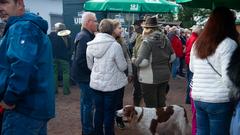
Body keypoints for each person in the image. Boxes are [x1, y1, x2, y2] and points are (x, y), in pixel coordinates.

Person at [0, 0, 55, 134]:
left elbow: (22, 66)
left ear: (20, 4)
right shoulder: (29, 26)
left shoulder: (22, 27)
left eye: (3, 2)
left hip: (23, 109)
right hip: (34, 108)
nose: (0, 8)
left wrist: (9, 98)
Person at [189, 7, 239, 135]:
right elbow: (229, 78)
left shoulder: (198, 43)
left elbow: (192, 68)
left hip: (198, 96)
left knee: (201, 131)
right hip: (219, 99)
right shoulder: (229, 44)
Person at [86, 19, 128, 135]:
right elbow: (123, 67)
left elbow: (90, 66)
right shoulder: (115, 46)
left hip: (96, 85)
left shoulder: (91, 45)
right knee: (109, 112)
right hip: (111, 87)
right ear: (111, 30)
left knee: (98, 111)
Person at [133, 16, 175, 107]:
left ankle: (154, 121)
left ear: (146, 29)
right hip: (164, 75)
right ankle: (161, 121)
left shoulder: (147, 41)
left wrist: (133, 60)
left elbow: (142, 62)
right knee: (161, 103)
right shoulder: (166, 39)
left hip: (149, 78)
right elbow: (173, 57)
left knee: (151, 106)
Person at [71, 12, 97, 135]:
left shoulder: (85, 35)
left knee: (85, 103)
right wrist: (93, 71)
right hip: (84, 76)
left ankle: (85, 129)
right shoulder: (84, 37)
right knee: (88, 105)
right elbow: (81, 59)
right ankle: (87, 130)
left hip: (82, 75)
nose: (97, 23)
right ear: (88, 22)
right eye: (95, 21)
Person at [112, 19, 133, 129]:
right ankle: (108, 120)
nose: (121, 30)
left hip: (120, 76)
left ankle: (119, 120)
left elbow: (128, 58)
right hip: (109, 77)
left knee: (119, 100)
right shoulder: (106, 42)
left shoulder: (122, 42)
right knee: (108, 100)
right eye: (119, 28)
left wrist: (130, 72)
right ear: (112, 29)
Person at [185, 25, 202, 135]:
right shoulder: (195, 40)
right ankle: (187, 98)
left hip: (196, 89)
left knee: (197, 119)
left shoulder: (194, 40)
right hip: (207, 91)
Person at [48, 22, 72, 95]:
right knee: (66, 73)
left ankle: (54, 91)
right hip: (64, 58)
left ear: (56, 29)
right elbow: (70, 48)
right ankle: (66, 91)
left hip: (53, 57)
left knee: (54, 73)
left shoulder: (51, 35)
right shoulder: (68, 36)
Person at [131, 19, 144, 106]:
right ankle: (136, 106)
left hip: (142, 67)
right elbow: (134, 49)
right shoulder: (138, 36)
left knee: (140, 88)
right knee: (137, 88)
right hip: (137, 66)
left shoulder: (143, 36)